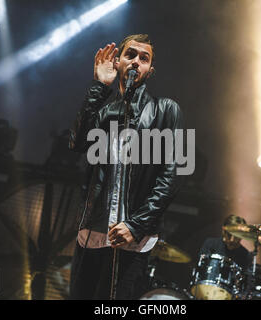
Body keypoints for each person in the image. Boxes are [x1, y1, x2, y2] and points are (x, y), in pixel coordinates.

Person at [68, 34, 184, 299]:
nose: (136, 62)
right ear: (118, 62)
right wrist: (99, 86)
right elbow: (76, 142)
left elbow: (172, 175)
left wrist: (136, 224)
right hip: (92, 232)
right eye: (130, 55)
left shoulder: (166, 110)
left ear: (150, 70)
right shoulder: (102, 111)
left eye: (144, 58)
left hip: (134, 240)